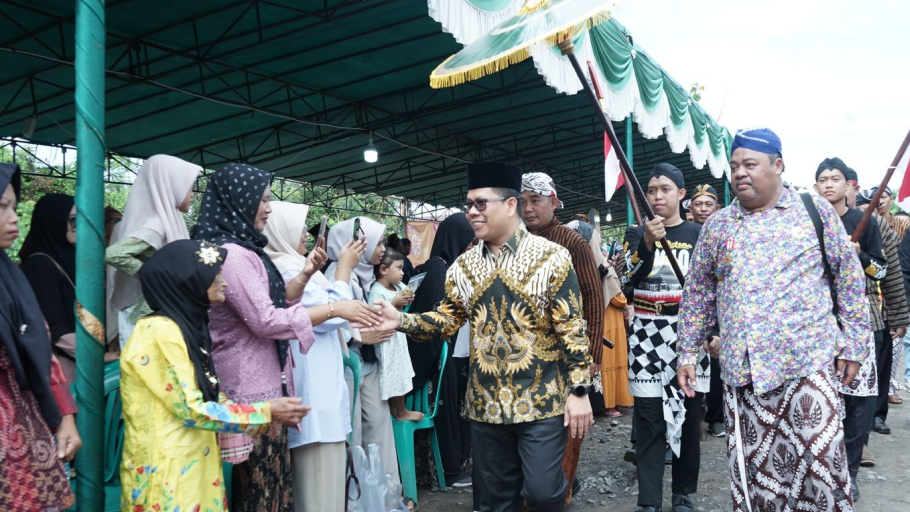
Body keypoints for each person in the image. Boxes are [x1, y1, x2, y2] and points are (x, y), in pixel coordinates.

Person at [364, 162, 594, 512]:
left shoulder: (552, 257)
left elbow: (572, 328)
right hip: (486, 405)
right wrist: (400, 321)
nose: (471, 211)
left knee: (545, 493)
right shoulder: (464, 266)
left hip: (543, 400)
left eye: (480, 203)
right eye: (468, 203)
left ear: (510, 205)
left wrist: (579, 391)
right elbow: (446, 321)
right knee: (495, 503)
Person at [677, 128, 868, 512]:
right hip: (745, 378)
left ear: (778, 166)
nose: (740, 173)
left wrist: (854, 345)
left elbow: (849, 279)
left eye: (750, 164)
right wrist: (686, 353)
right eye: (734, 166)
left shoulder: (813, 212)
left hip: (807, 367)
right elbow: (697, 294)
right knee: (758, 479)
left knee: (822, 470)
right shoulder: (718, 226)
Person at [193, 164, 382, 512]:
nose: (268, 208)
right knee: (260, 493)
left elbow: (275, 304)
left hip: (265, 384)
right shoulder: (233, 254)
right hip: (247, 387)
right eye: (263, 200)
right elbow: (265, 320)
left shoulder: (248, 250)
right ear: (239, 200)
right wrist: (335, 308)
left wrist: (308, 273)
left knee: (275, 491)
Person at [119, 239, 310, 510]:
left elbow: (210, 394)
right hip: (166, 472)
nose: (225, 282)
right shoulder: (157, 332)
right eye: (215, 275)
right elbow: (192, 410)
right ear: (188, 281)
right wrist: (263, 411)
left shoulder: (187, 326)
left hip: (196, 464)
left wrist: (270, 411)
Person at [262, 201, 368, 512]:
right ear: (281, 230)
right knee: (320, 491)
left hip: (322, 385)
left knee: (327, 488)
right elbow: (334, 316)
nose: (308, 235)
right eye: (300, 227)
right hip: (313, 389)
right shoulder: (285, 267)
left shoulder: (297, 265)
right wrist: (344, 269)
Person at [623, 163, 707, 512]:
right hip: (645, 333)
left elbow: (709, 288)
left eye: (665, 189)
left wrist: (712, 331)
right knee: (649, 418)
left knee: (688, 416)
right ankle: (649, 500)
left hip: (688, 336)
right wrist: (645, 242)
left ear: (681, 194)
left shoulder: (698, 233)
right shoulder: (635, 233)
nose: (657, 196)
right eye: (652, 190)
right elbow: (627, 274)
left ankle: (682, 493)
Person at [0, 163, 81, 512]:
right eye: (2, 207)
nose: (15, 218)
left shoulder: (10, 277)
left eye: (14, 207)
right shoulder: (33, 267)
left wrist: (64, 417)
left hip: (23, 420)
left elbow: (40, 348)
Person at [520, 171, 605, 505]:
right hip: (525, 355)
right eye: (523, 202)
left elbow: (593, 299)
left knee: (569, 426)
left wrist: (594, 356)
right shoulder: (513, 240)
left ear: (553, 202)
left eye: (536, 201)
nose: (528, 209)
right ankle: (532, 492)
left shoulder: (573, 243)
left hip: (567, 355)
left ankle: (563, 492)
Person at [815, 157, 888, 500]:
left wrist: (858, 256)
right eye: (823, 179)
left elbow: (882, 271)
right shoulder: (807, 222)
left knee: (858, 398)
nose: (829, 183)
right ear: (815, 187)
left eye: (835, 178)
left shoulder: (864, 221)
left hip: (857, 320)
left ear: (849, 186)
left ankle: (850, 471)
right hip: (816, 321)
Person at [324, 216, 403, 498]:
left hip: (367, 362)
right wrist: (358, 336)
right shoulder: (336, 273)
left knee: (380, 428)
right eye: (377, 242)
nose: (383, 248)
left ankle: (387, 494)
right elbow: (328, 318)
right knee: (354, 433)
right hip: (347, 363)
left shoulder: (367, 274)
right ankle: (355, 497)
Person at [406, 213, 476, 492]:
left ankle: (457, 464)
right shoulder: (440, 269)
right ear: (455, 239)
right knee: (448, 414)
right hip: (444, 356)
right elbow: (434, 316)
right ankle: (449, 470)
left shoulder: (447, 266)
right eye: (468, 243)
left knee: (460, 411)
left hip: (456, 353)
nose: (471, 248)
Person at [106, 154, 202, 348]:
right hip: (148, 316)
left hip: (156, 314)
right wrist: (152, 275)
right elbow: (114, 254)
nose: (192, 194)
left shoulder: (168, 220)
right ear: (170, 184)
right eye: (188, 186)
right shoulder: (156, 224)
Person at [565, 218, 634, 418]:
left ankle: (599, 403)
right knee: (606, 362)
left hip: (587, 319)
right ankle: (608, 402)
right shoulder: (596, 261)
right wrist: (624, 305)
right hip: (607, 320)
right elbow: (615, 295)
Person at [18, 194, 78, 382]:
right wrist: (94, 355)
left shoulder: (68, 257)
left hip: (74, 360)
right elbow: (55, 326)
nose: (78, 228)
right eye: (73, 221)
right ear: (54, 220)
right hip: (61, 368)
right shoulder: (39, 265)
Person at [687, 184, 725, 438]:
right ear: (690, 208)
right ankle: (694, 417)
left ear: (717, 208)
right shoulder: (686, 233)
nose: (703, 209)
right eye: (698, 204)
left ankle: (717, 417)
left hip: (720, 306)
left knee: (716, 364)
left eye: (707, 204)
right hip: (692, 304)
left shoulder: (724, 232)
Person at [368, 249, 421, 421]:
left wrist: (408, 295)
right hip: (387, 341)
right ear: (383, 269)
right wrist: (393, 303)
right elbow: (375, 319)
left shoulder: (397, 286)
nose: (402, 273)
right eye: (398, 268)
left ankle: (396, 409)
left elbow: (406, 291)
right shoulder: (377, 292)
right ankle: (401, 412)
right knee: (393, 374)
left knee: (401, 371)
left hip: (397, 338)